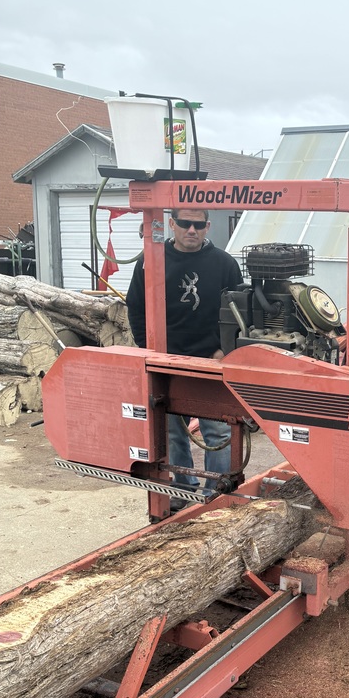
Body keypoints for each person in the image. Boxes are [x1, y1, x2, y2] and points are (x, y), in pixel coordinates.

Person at [127, 208, 243, 506]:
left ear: (207, 226)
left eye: (198, 225)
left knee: (218, 432)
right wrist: (148, 349)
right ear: (172, 224)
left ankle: (214, 496)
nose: (191, 230)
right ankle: (181, 491)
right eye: (184, 224)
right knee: (171, 433)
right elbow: (136, 308)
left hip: (211, 362)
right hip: (166, 363)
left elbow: (238, 313)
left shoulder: (224, 264)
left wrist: (223, 350)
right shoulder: (149, 262)